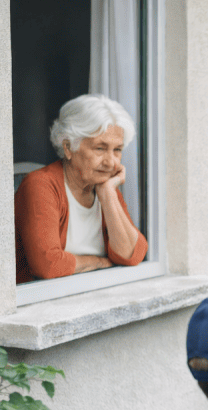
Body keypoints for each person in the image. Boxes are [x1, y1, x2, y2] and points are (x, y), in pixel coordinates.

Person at [14, 94, 147, 283]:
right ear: (68, 148)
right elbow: (48, 265)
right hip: (44, 303)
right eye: (100, 149)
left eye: (117, 150)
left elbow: (132, 255)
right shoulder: (41, 185)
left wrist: (108, 195)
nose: (111, 162)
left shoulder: (104, 186)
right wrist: (100, 263)